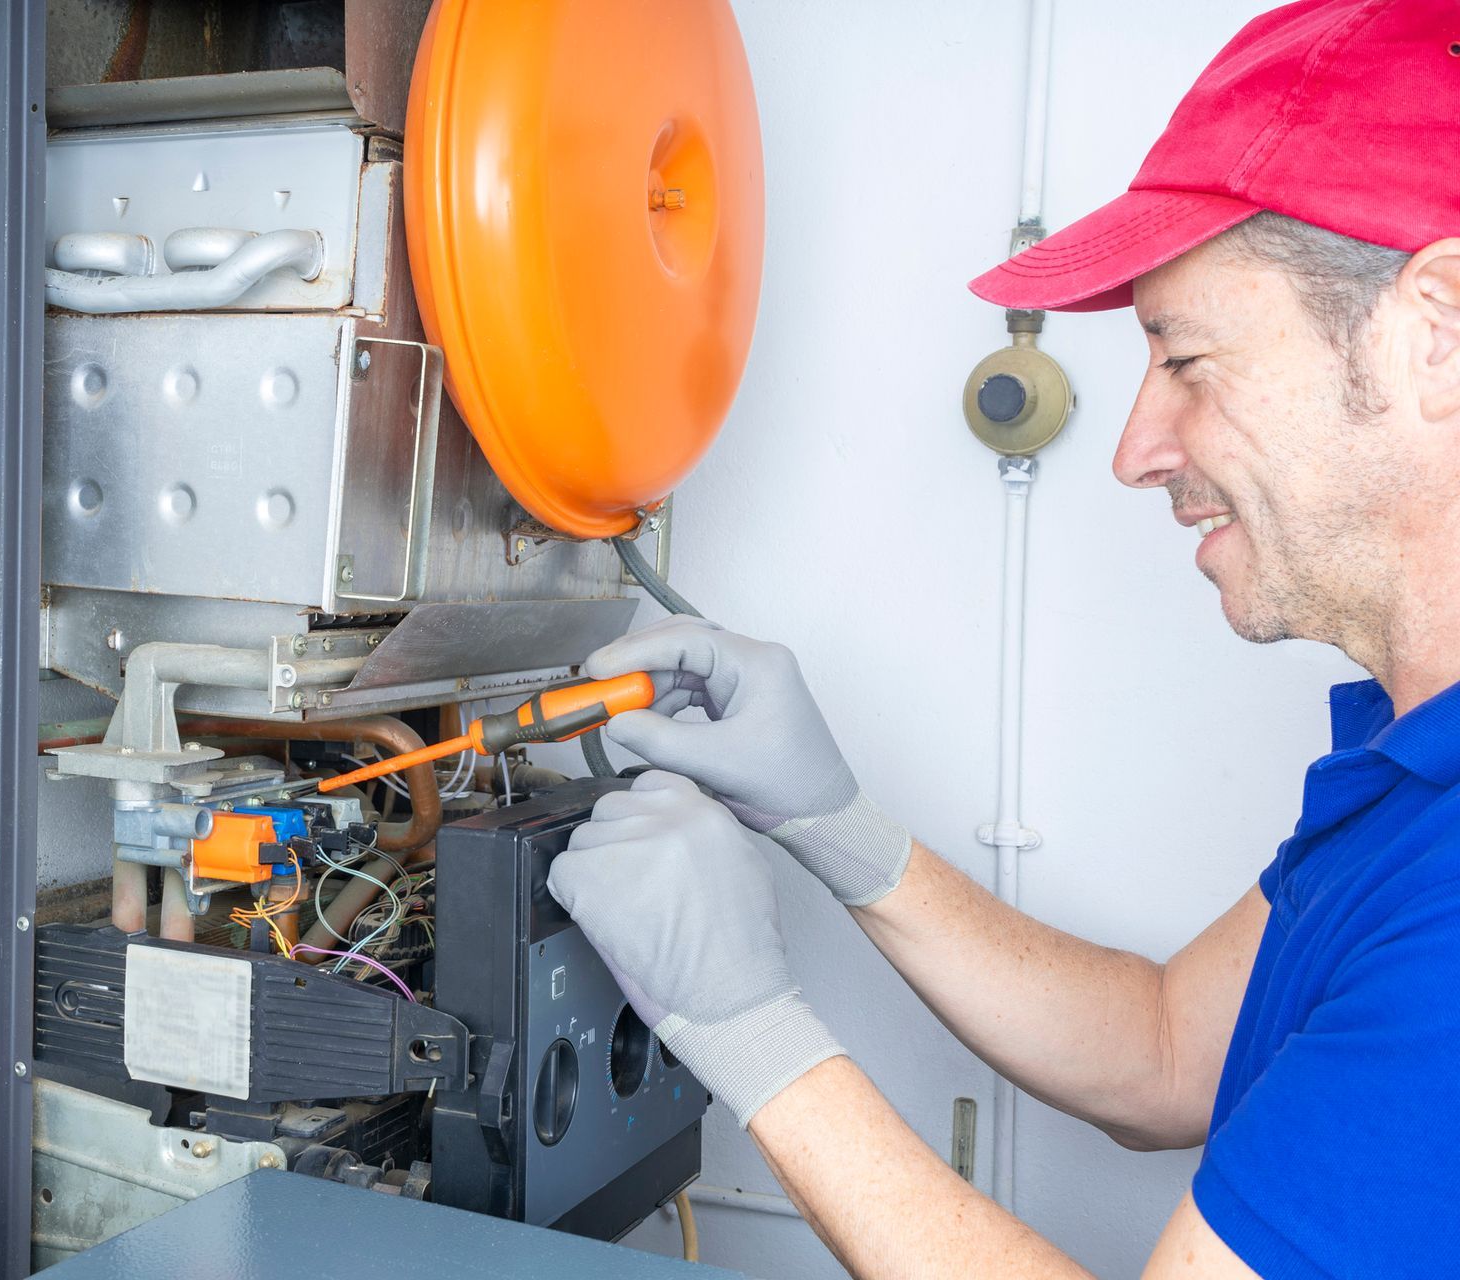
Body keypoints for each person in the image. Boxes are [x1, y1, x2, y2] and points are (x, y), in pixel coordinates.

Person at [547, 3, 1460, 1276]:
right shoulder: (1413, 769)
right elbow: (1161, 1051)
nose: (1137, 449)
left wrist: (753, 1033)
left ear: (1439, 329)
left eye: (1185, 356)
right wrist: (838, 822)